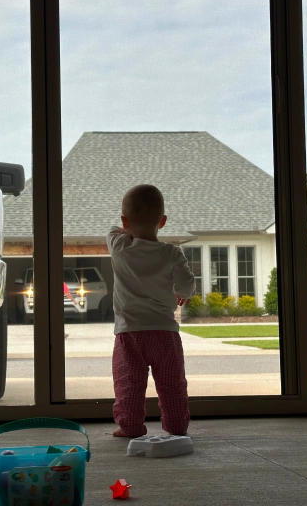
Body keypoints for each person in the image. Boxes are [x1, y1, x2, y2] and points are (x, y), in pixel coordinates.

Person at [106, 184, 196, 438]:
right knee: (171, 383)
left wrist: (128, 226)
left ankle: (130, 426)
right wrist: (183, 294)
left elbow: (113, 230)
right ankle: (177, 425)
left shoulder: (120, 248)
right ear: (163, 221)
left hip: (130, 333)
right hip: (164, 331)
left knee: (129, 383)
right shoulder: (171, 253)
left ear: (125, 221)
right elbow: (187, 285)